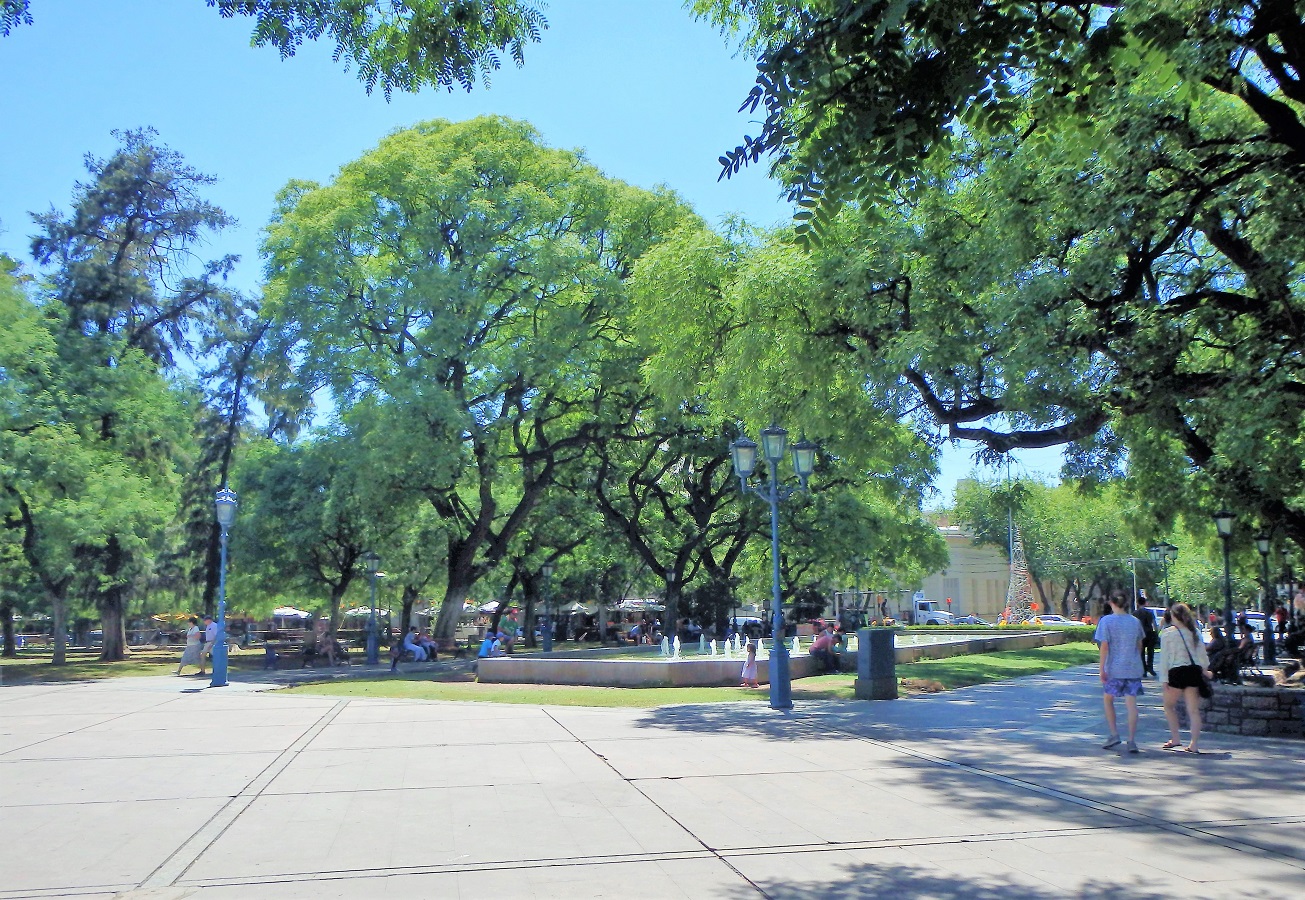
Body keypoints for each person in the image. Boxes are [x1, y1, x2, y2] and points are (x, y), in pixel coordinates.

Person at [1094, 594, 1145, 752]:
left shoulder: (1107, 621)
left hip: (1115, 668)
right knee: (1131, 704)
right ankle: (1131, 740)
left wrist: (1101, 668)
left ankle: (1114, 734)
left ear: (1111, 603)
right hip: (1133, 668)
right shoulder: (1135, 621)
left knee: (1108, 699)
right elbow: (1140, 644)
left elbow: (1104, 646)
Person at [1159, 601, 1211, 753]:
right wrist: (1205, 670)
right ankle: (1194, 744)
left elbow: (1164, 659)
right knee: (1193, 710)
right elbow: (1202, 655)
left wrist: (1164, 680)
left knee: (1168, 706)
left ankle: (1175, 738)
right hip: (1193, 672)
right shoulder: (1194, 632)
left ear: (1174, 616)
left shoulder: (1168, 633)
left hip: (1176, 672)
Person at [1133, 597, 1158, 677]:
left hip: (1140, 634)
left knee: (1141, 652)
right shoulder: (1150, 612)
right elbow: (1154, 624)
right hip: (1150, 633)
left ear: (1138, 603)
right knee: (1151, 651)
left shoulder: (1135, 613)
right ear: (1145, 603)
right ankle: (1150, 667)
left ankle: (1143, 669)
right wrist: (1156, 633)